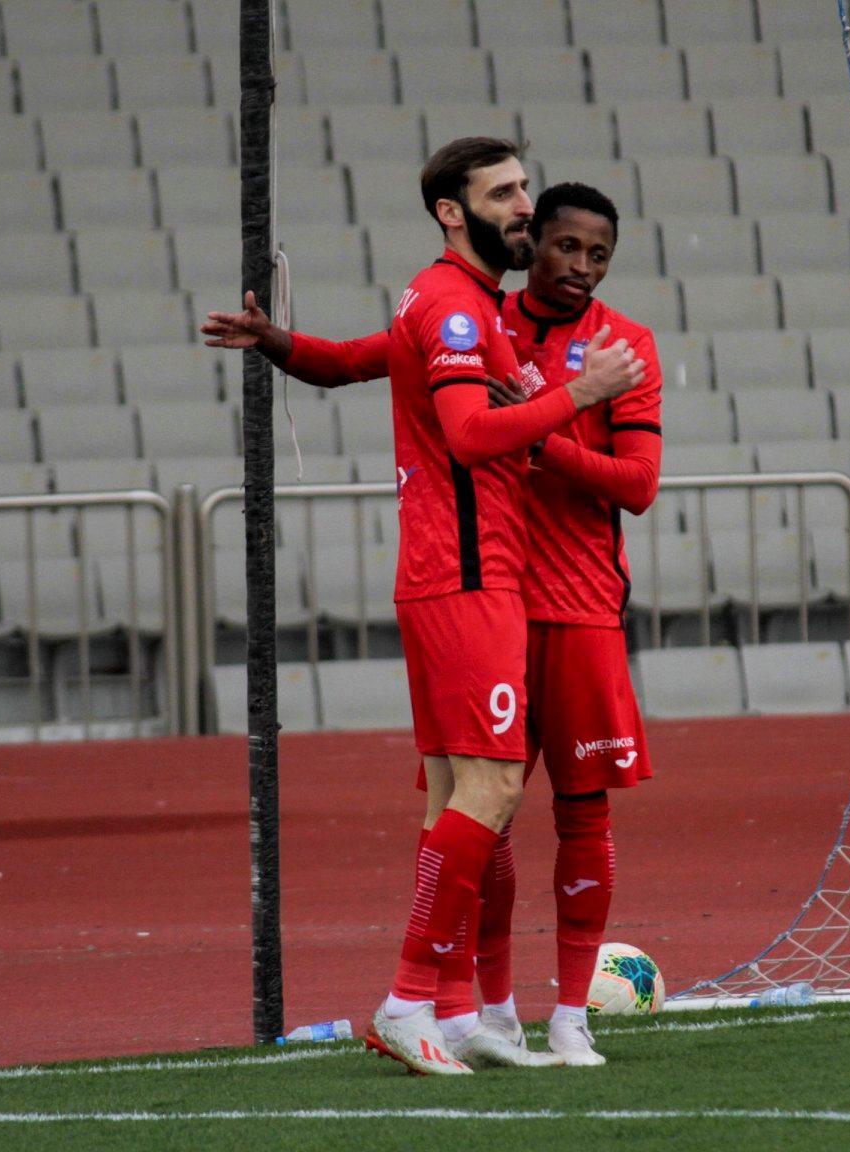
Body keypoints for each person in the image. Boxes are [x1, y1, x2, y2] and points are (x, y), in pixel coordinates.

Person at [203, 181, 661, 1067]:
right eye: (565, 245)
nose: (580, 265)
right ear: (531, 243)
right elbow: (358, 361)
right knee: (483, 808)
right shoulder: (479, 319)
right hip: (489, 596)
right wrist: (278, 342)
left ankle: (570, 1017)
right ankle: (483, 1011)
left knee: (576, 811)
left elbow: (639, 485)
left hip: (579, 608)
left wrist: (542, 436)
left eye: (599, 254)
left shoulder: (623, 344)